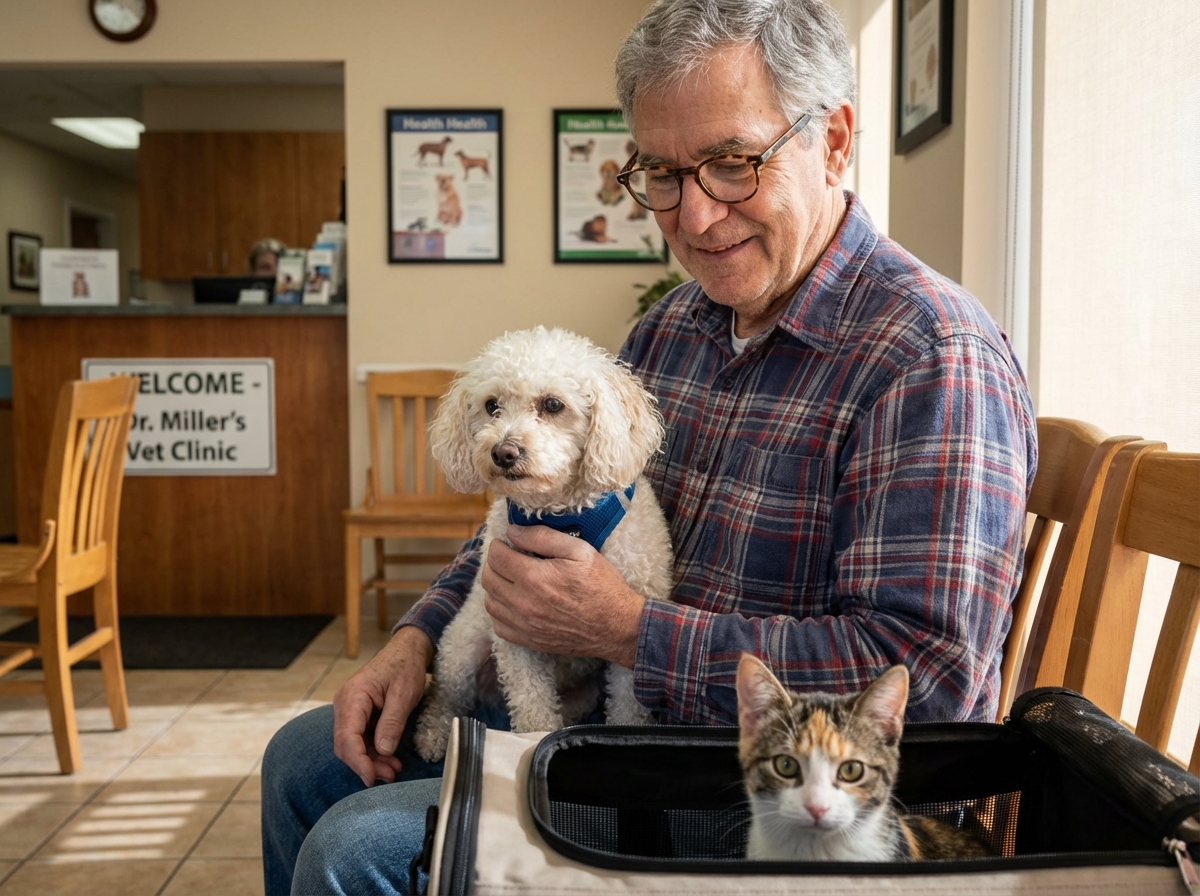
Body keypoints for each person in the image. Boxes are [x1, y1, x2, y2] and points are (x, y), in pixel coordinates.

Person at [261, 0, 1037, 892]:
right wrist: (418, 638)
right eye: (662, 173)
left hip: (779, 802)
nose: (695, 217)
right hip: (632, 737)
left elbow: (927, 684)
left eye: (733, 164)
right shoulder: (673, 329)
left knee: (356, 849)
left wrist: (629, 631)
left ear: (833, 142)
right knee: (301, 756)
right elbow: (531, 521)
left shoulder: (928, 355)